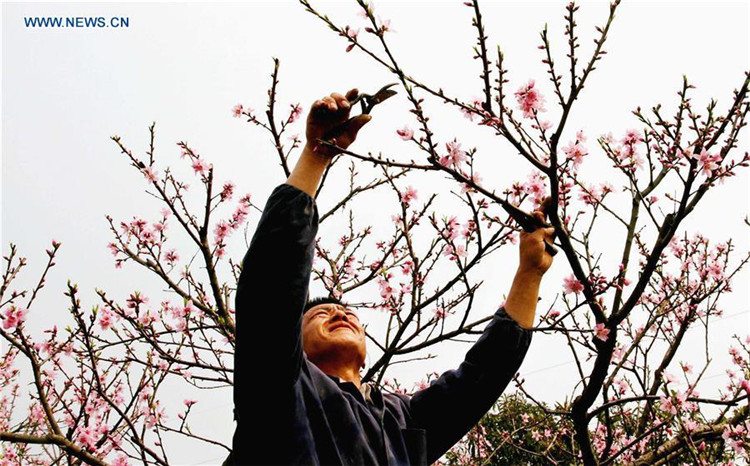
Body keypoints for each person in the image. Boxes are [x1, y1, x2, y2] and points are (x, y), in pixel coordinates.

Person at [229, 89, 555, 465]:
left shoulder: (403, 420)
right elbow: (271, 286)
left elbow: (481, 379)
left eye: (347, 313)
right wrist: (315, 156)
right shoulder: (283, 387)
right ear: (293, 344)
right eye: (320, 314)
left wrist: (530, 273)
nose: (340, 313)